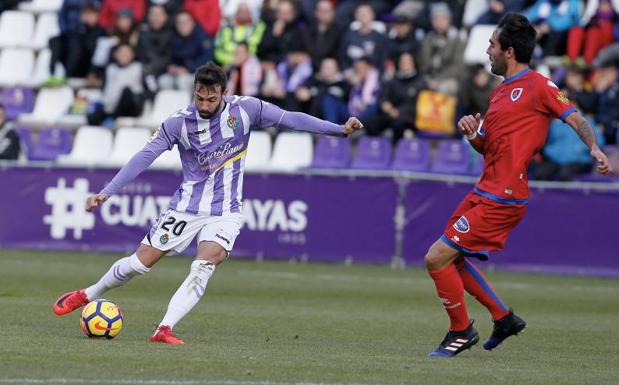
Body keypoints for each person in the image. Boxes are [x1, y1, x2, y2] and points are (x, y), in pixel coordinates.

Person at [52, 61, 363, 344]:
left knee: (204, 265)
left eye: (211, 99)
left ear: (224, 93)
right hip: (185, 207)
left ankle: (164, 328)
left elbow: (290, 118)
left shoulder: (246, 110)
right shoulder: (178, 123)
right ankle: (87, 294)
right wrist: (108, 191)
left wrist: (337, 130)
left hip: (226, 211)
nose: (204, 104)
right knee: (138, 264)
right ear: (195, 91)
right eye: (200, 98)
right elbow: (144, 156)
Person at [425, 13, 613, 357]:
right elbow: (485, 145)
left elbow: (575, 117)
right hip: (485, 189)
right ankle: (503, 318)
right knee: (451, 259)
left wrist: (594, 147)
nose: (487, 51)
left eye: (492, 45)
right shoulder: (500, 94)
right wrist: (471, 134)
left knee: (436, 258)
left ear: (509, 51)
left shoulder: (540, 86)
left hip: (504, 196)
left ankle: (461, 330)